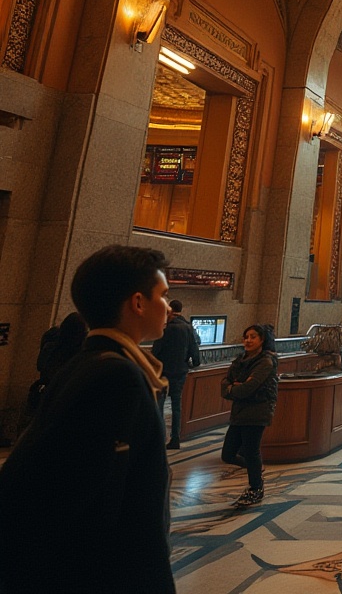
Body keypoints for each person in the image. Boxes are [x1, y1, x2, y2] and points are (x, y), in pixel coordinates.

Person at [0, 245, 176, 593]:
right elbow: (96, 501)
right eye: (164, 296)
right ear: (138, 303)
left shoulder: (83, 364)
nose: (168, 308)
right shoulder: (116, 377)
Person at [220, 323, 279, 507]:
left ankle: (256, 487)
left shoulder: (265, 362)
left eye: (253, 337)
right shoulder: (240, 360)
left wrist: (236, 387)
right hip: (239, 412)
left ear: (262, 340)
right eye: (246, 337)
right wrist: (233, 387)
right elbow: (225, 383)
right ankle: (256, 470)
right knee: (228, 454)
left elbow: (247, 388)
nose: (248, 340)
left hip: (257, 412)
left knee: (252, 451)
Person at [151, 298, 201, 449]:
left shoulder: (165, 329)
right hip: (180, 372)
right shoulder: (189, 328)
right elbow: (195, 351)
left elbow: (155, 352)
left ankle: (159, 437)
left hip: (164, 372)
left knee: (159, 404)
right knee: (176, 406)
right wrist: (193, 364)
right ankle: (175, 438)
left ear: (170, 311)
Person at [24, 310, 88, 420]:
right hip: (60, 405)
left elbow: (40, 366)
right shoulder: (79, 355)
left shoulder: (50, 346)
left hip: (43, 399)